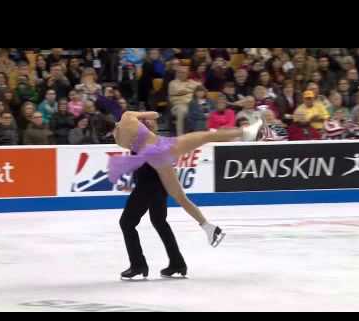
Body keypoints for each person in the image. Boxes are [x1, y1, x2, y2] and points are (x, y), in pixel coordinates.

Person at [109, 111, 263, 247]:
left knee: (180, 197)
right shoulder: (127, 116)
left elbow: (138, 145)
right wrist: (144, 119)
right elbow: (155, 115)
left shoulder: (119, 141)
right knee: (208, 135)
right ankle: (246, 132)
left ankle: (208, 227)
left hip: (155, 159)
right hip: (164, 146)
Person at [119, 119, 187, 280]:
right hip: (159, 187)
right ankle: (177, 263)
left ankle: (138, 265)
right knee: (160, 222)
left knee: (127, 223)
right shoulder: (155, 142)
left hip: (147, 188)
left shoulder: (145, 143)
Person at [169, 66, 200, 135]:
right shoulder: (173, 83)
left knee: (203, 106)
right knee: (181, 110)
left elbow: (200, 87)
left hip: (192, 104)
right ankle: (180, 136)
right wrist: (190, 89)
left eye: (184, 72)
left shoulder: (192, 82)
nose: (181, 74)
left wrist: (187, 89)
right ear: (177, 73)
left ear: (188, 73)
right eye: (179, 72)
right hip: (178, 106)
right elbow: (179, 91)